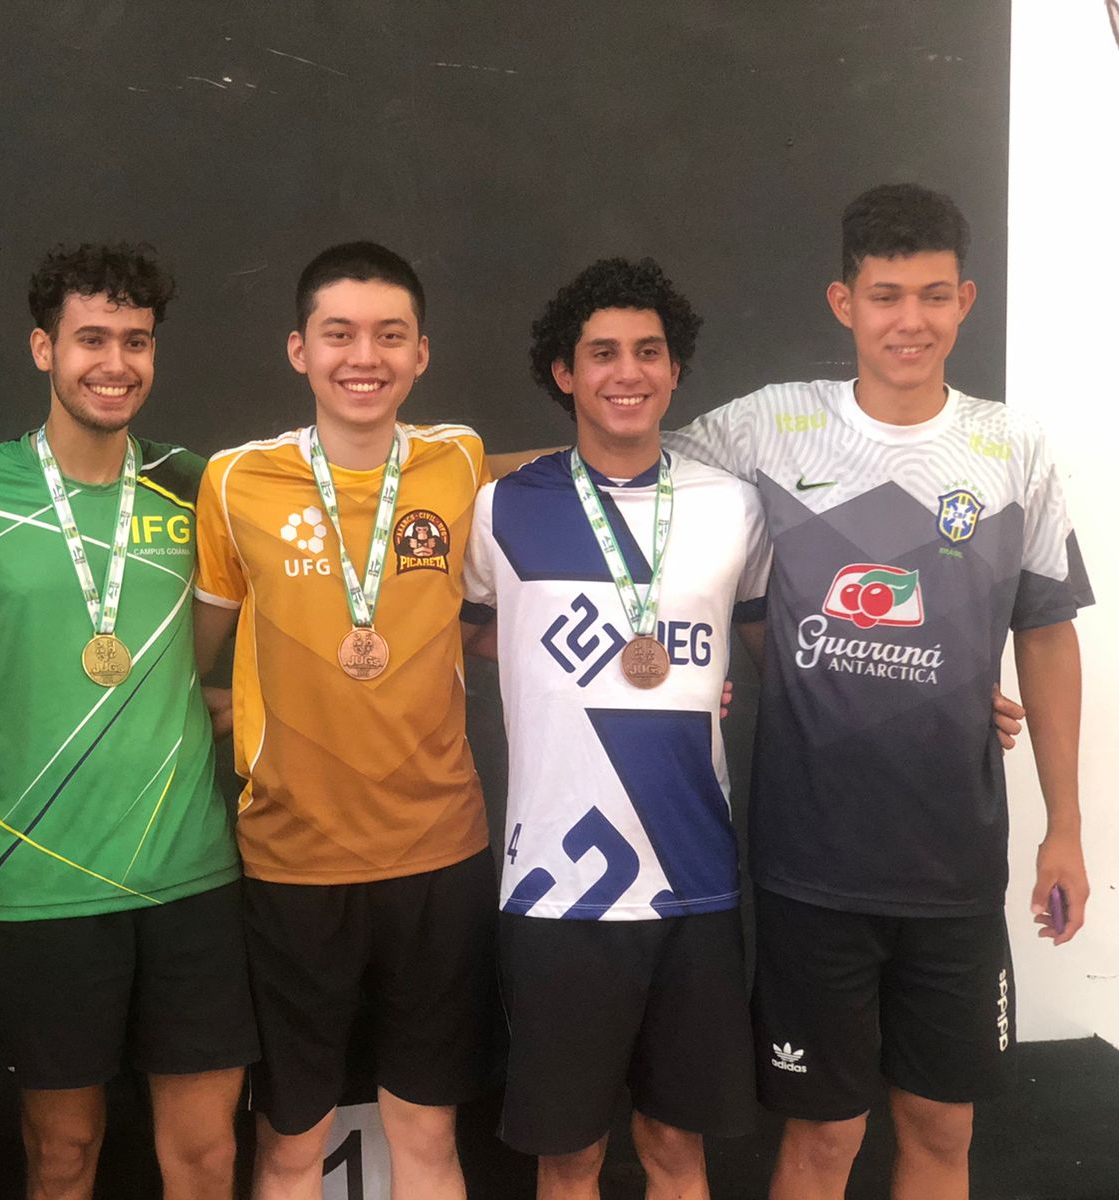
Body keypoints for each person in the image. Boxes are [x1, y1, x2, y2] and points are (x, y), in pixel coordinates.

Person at [666, 183, 1093, 1200]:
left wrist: (1066, 827)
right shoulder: (770, 427)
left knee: (943, 1130)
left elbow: (1044, 633)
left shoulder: (1013, 448)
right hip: (812, 868)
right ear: (843, 302)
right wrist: (446, 471)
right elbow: (626, 471)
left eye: (934, 296)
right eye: (886, 296)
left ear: (965, 301)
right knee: (823, 1139)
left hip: (954, 870)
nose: (911, 321)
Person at [0, 243, 257, 1200]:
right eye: (91, 339)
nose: (115, 363)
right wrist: (26, 693)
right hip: (39, 881)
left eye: (135, 341)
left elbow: (301, 604)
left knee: (206, 1155)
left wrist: (229, 705)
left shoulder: (200, 486)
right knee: (62, 1154)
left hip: (192, 872)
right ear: (44, 349)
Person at [192, 242, 496, 1200]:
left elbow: (557, 492)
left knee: (427, 1135)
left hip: (437, 849)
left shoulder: (459, 461)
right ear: (299, 350)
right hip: (293, 859)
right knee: (292, 1142)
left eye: (389, 336)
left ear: (421, 354)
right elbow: (192, 659)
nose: (364, 357)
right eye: (339, 334)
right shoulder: (235, 482)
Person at [461, 257, 769, 1200]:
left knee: (678, 1151)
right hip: (557, 885)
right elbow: (459, 639)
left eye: (648, 352)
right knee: (571, 1159)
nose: (627, 372)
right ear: (564, 372)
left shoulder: (732, 507)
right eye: (602, 353)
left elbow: (784, 652)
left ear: (675, 371)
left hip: (694, 878)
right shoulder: (502, 506)